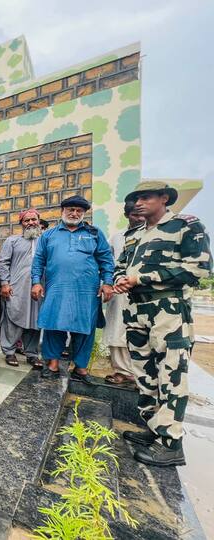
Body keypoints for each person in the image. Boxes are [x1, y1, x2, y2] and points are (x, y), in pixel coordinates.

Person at [114, 181, 212, 467]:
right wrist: (120, 279)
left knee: (171, 373)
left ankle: (171, 443)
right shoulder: (134, 235)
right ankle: (154, 427)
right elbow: (122, 265)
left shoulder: (185, 225)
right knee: (145, 372)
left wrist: (141, 279)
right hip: (137, 310)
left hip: (168, 311)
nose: (138, 203)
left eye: (145, 197)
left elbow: (199, 267)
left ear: (164, 198)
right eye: (136, 199)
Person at [31, 195, 114, 383]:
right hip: (56, 289)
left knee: (85, 328)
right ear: (62, 211)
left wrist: (107, 282)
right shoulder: (49, 235)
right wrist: (36, 282)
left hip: (86, 292)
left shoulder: (94, 233)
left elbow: (106, 259)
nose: (74, 213)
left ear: (84, 213)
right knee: (54, 325)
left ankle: (80, 368)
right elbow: (38, 261)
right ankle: (52, 364)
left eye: (79, 211)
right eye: (71, 210)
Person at [103, 201, 144, 385]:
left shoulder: (152, 234)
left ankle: (142, 375)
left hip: (144, 291)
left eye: (142, 214)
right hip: (119, 291)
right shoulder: (117, 237)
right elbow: (108, 263)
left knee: (143, 332)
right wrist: (108, 284)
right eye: (135, 214)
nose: (140, 218)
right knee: (117, 328)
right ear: (127, 215)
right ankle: (121, 371)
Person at [0, 209, 43, 368]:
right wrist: (4, 283)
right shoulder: (12, 241)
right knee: (13, 317)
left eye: (34, 219)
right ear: (21, 224)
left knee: (36, 320)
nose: (31, 223)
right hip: (16, 288)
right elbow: (3, 263)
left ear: (38, 221)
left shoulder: (45, 241)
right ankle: (9, 352)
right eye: (26, 220)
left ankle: (32, 354)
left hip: (39, 289)